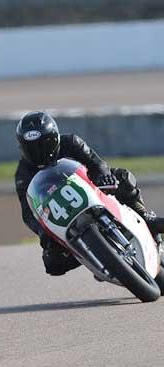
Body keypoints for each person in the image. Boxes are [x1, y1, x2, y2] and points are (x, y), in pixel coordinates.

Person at [14, 111, 164, 276]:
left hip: (91, 190)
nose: (38, 152)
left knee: (122, 177)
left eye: (43, 144)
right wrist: (43, 232)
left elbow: (96, 163)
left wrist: (103, 175)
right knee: (52, 264)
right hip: (61, 214)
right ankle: (92, 255)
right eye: (31, 147)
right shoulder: (23, 174)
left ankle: (143, 215)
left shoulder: (71, 142)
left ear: (55, 138)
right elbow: (28, 213)